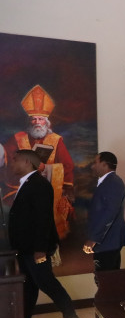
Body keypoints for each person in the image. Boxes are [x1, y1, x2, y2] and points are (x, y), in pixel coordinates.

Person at [8, 149, 82, 318]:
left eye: (15, 160)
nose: (12, 163)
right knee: (30, 287)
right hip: (26, 248)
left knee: (47, 283)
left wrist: (40, 249)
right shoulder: (29, 183)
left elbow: (43, 219)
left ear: (27, 162)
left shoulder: (38, 185)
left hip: (35, 249)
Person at [2, 85, 75, 239]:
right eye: (33, 119)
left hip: (49, 188)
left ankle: (47, 245)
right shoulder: (18, 138)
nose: (37, 122)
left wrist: (46, 168)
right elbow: (7, 160)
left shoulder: (56, 140)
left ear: (46, 122)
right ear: (29, 121)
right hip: (21, 188)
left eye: (40, 119)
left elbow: (67, 166)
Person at [83, 152, 125, 271]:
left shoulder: (113, 182)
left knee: (106, 278)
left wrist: (94, 238)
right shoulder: (108, 181)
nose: (92, 166)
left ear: (104, 164)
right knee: (106, 278)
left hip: (108, 241)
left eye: (95, 163)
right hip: (107, 241)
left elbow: (110, 212)